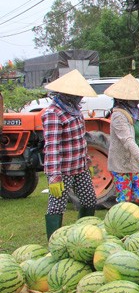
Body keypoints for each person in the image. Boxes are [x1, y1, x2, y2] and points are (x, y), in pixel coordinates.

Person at [41, 70, 98, 239]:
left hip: (80, 167)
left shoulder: (75, 110)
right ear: (67, 94)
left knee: (89, 200)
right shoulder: (53, 113)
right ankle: (53, 242)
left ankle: (85, 236)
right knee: (57, 206)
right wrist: (54, 175)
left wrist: (87, 161)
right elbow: (52, 146)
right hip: (62, 171)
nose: (80, 98)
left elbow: (80, 140)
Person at [104, 74, 139, 208]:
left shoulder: (134, 114)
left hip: (135, 164)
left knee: (138, 201)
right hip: (122, 165)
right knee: (125, 204)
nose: (137, 102)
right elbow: (127, 141)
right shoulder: (118, 116)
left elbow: (135, 133)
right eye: (135, 99)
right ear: (124, 99)